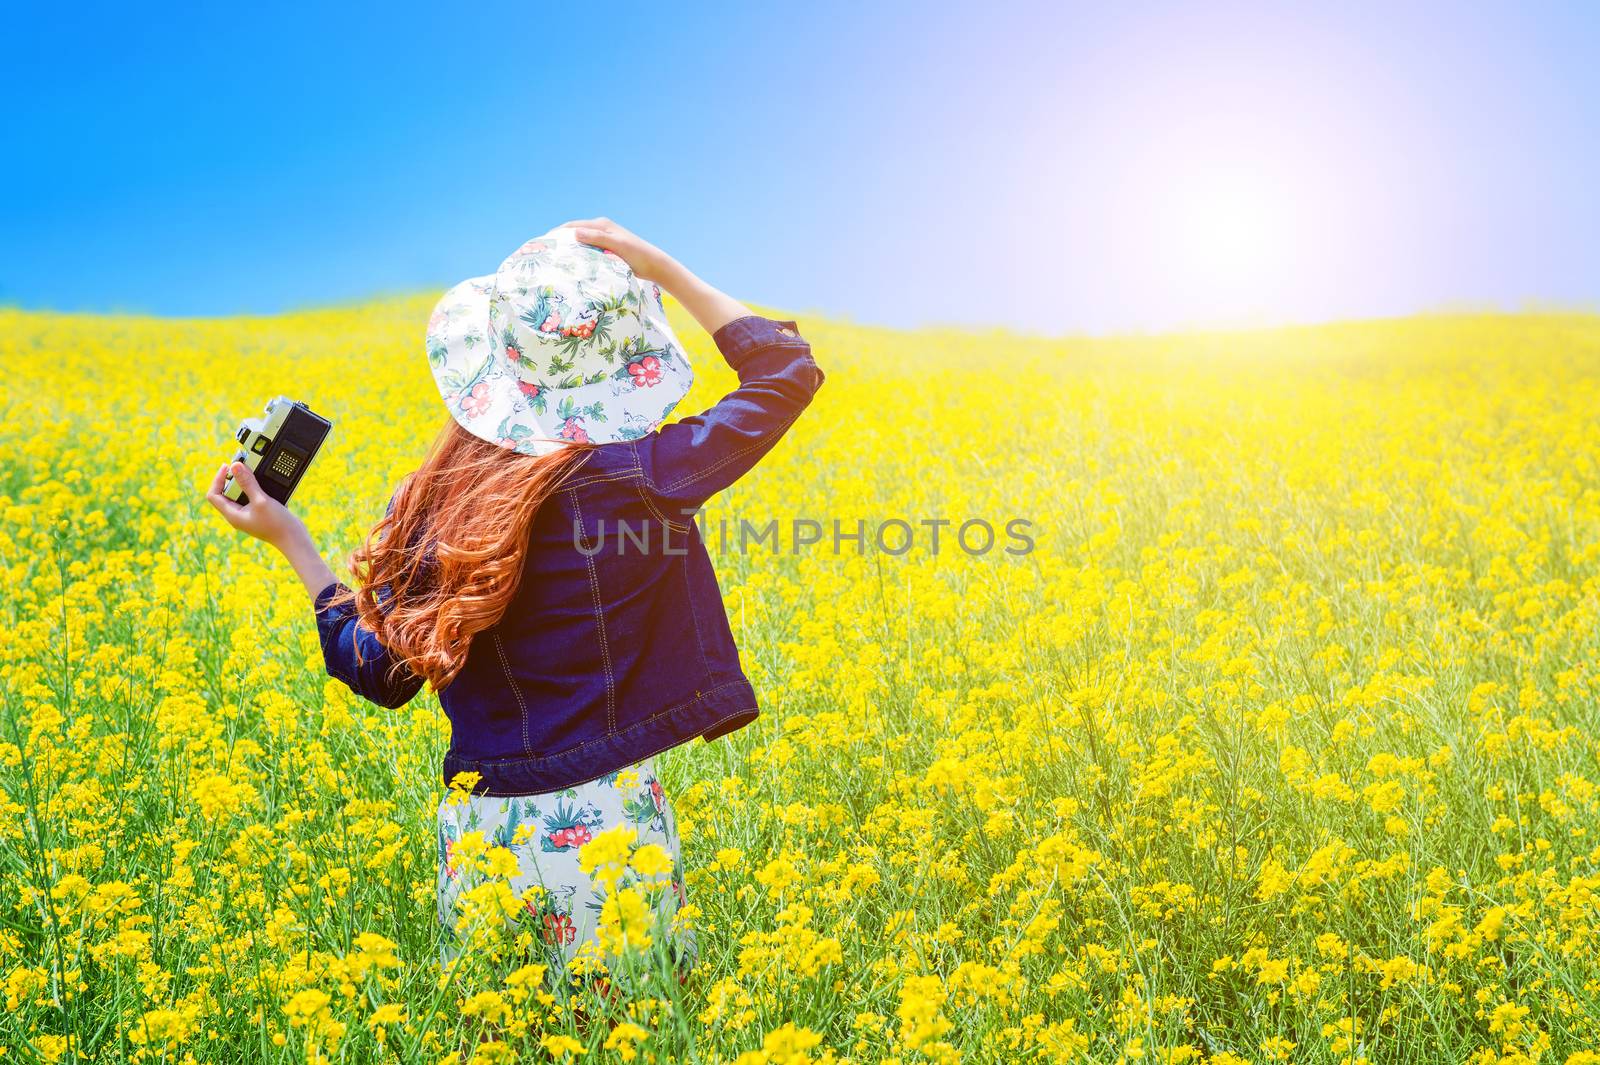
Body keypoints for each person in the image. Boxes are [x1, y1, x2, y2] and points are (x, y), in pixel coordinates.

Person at [205, 217, 826, 994]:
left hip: (484, 831)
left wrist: (291, 540)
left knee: (504, 1037)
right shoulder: (642, 477)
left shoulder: (449, 504)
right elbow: (784, 375)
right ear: (620, 368)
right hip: (611, 820)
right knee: (630, 1033)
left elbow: (379, 669)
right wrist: (662, 268)